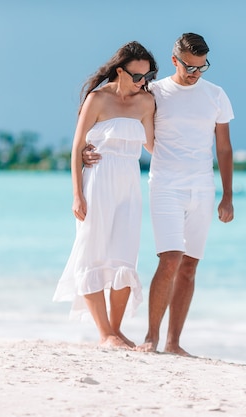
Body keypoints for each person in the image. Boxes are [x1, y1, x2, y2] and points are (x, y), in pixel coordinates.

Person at [83, 33, 235, 355]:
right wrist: (89, 148)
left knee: (190, 265)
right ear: (175, 60)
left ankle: (174, 342)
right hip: (165, 184)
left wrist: (227, 195)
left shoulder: (216, 95)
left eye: (202, 67)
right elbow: (122, 115)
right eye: (190, 67)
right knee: (170, 259)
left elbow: (223, 147)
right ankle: (151, 337)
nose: (195, 73)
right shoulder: (155, 92)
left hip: (203, 187)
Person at [53, 41, 158, 349]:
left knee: (126, 255)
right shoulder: (97, 99)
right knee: (93, 251)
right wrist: (77, 194)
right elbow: (76, 148)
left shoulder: (147, 102)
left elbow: (151, 146)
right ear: (119, 71)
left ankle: (116, 329)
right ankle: (104, 333)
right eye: (137, 76)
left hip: (129, 180)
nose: (143, 81)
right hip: (97, 179)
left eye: (147, 75)